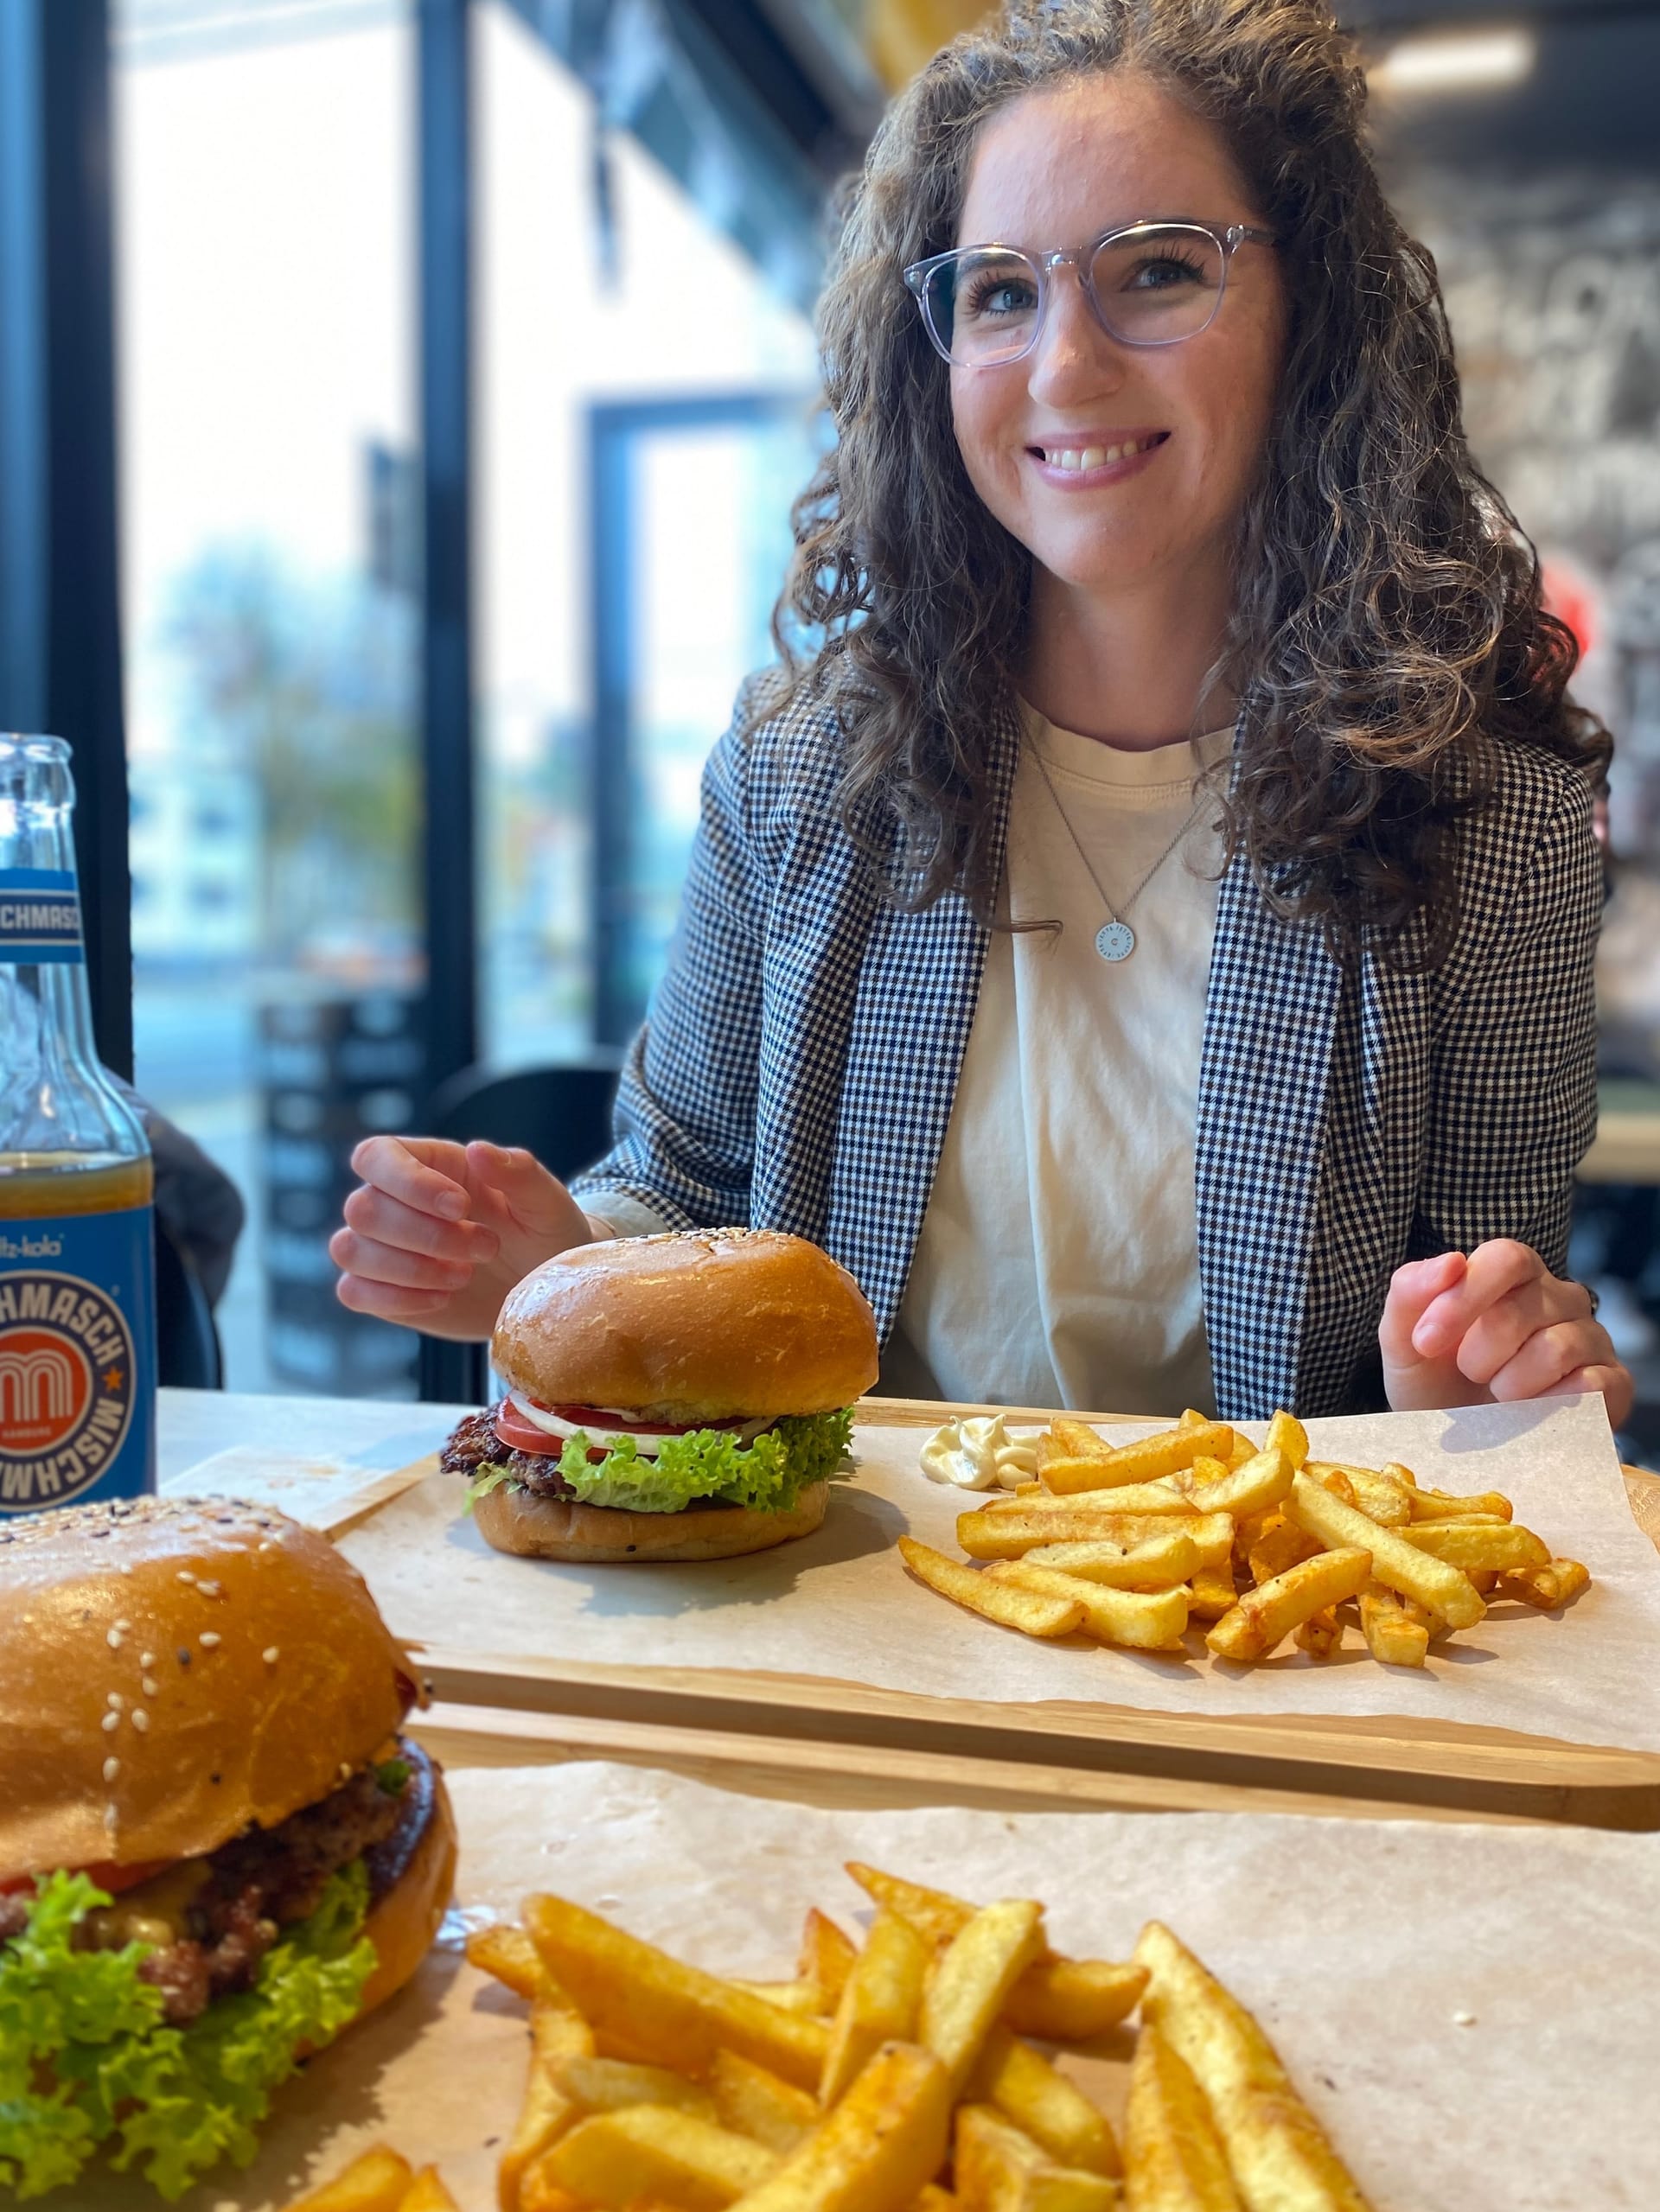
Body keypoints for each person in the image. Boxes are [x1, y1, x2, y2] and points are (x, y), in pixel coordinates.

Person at [332, 0, 1631, 1426]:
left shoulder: (1490, 818)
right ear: (931, 350)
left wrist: (1464, 1386)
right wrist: (560, 1268)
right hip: (832, 1609)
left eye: (1156, 271)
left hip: (1261, 1623)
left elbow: (1488, 1333)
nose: (1066, 368)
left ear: (1312, 313)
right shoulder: (800, 764)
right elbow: (683, 1185)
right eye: (1000, 292)